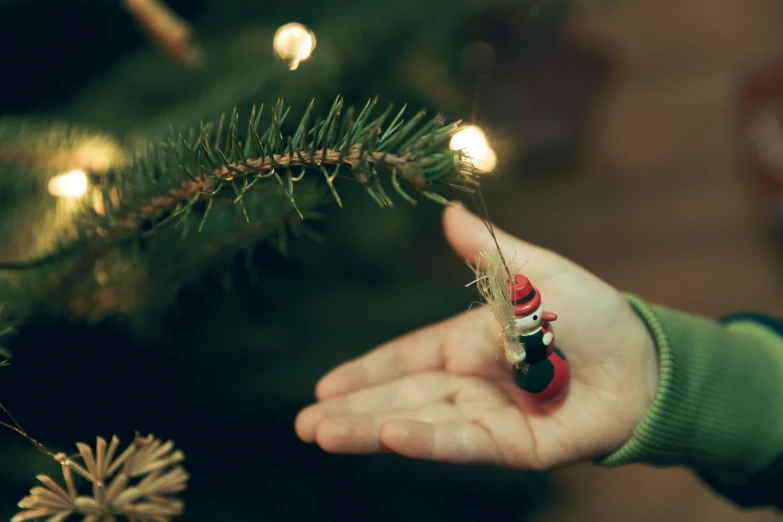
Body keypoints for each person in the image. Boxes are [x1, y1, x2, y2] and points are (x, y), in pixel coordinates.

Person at [294, 203, 783, 509]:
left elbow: (541, 341)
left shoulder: (538, 331)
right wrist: (665, 374)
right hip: (537, 370)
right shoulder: (523, 338)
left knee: (540, 371)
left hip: (543, 369)